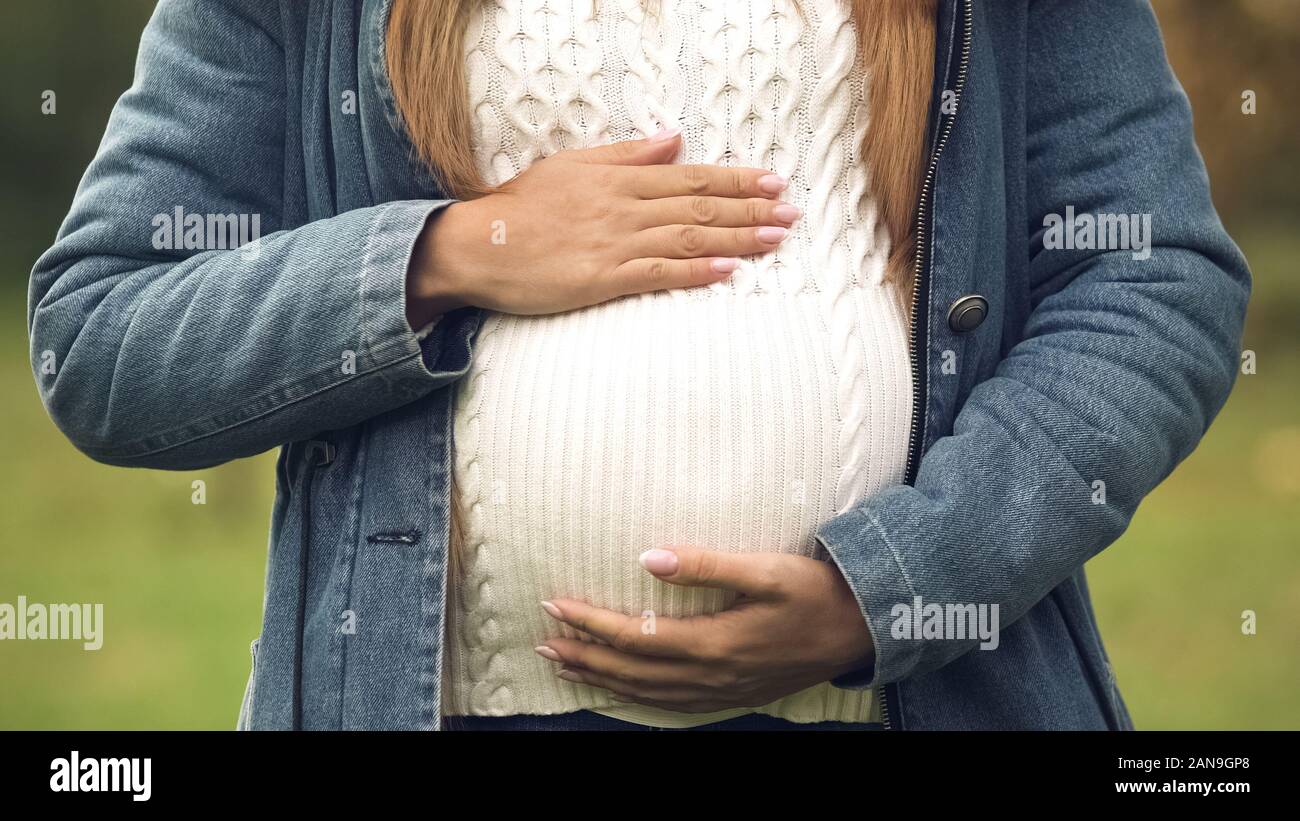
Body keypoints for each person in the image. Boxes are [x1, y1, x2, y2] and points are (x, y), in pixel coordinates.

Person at [28, 0, 1249, 730]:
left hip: (911, 700)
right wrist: (451, 251)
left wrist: (884, 590)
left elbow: (1152, 278)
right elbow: (105, 332)